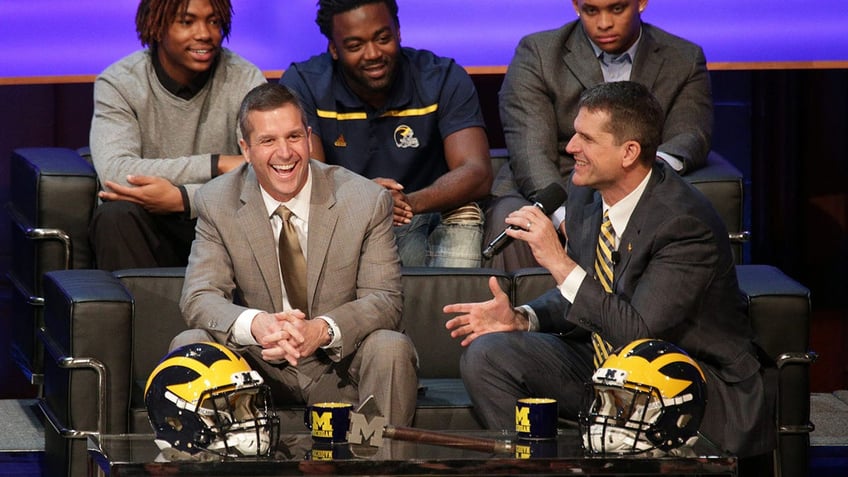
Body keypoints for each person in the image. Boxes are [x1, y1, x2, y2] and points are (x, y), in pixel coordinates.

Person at [445, 82, 774, 460]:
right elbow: (590, 287)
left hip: (686, 375)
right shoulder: (586, 193)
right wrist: (525, 318)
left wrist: (558, 261)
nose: (570, 148)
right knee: (487, 355)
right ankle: (538, 470)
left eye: (586, 138)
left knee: (637, 371)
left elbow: (640, 333)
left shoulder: (683, 224)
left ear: (629, 152)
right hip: (613, 366)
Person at [172, 82, 418, 426]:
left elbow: (385, 300)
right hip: (256, 373)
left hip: (338, 369)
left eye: (293, 137)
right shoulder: (217, 201)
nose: (285, 153)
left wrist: (321, 330)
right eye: (268, 141)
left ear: (308, 137)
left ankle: (376, 465)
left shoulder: (363, 200)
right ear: (245, 149)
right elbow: (200, 296)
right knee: (191, 342)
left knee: (390, 346)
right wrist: (258, 325)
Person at [485, 0, 713, 272]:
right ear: (575, 5)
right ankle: (525, 315)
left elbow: (690, 135)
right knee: (516, 222)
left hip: (639, 183)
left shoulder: (683, 58)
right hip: (556, 186)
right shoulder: (538, 54)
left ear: (641, 3)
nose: (604, 23)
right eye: (591, 10)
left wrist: (639, 180)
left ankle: (624, 312)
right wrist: (566, 218)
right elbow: (530, 150)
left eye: (617, 9)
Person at [279, 0, 493, 268]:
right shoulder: (304, 84)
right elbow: (307, 175)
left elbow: (477, 172)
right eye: (355, 46)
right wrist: (370, 200)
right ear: (334, 48)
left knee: (466, 213)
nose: (373, 54)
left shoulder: (442, 77)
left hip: (426, 215)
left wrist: (406, 204)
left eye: (383, 38)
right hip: (344, 220)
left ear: (399, 31)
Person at [89, 0, 267, 271]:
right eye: (187, 22)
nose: (204, 34)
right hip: (149, 222)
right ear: (157, 27)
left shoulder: (244, 79)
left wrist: (183, 198)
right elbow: (115, 171)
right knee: (116, 215)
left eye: (214, 21)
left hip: (220, 220)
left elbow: (265, 172)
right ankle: (139, 311)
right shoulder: (119, 83)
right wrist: (216, 163)